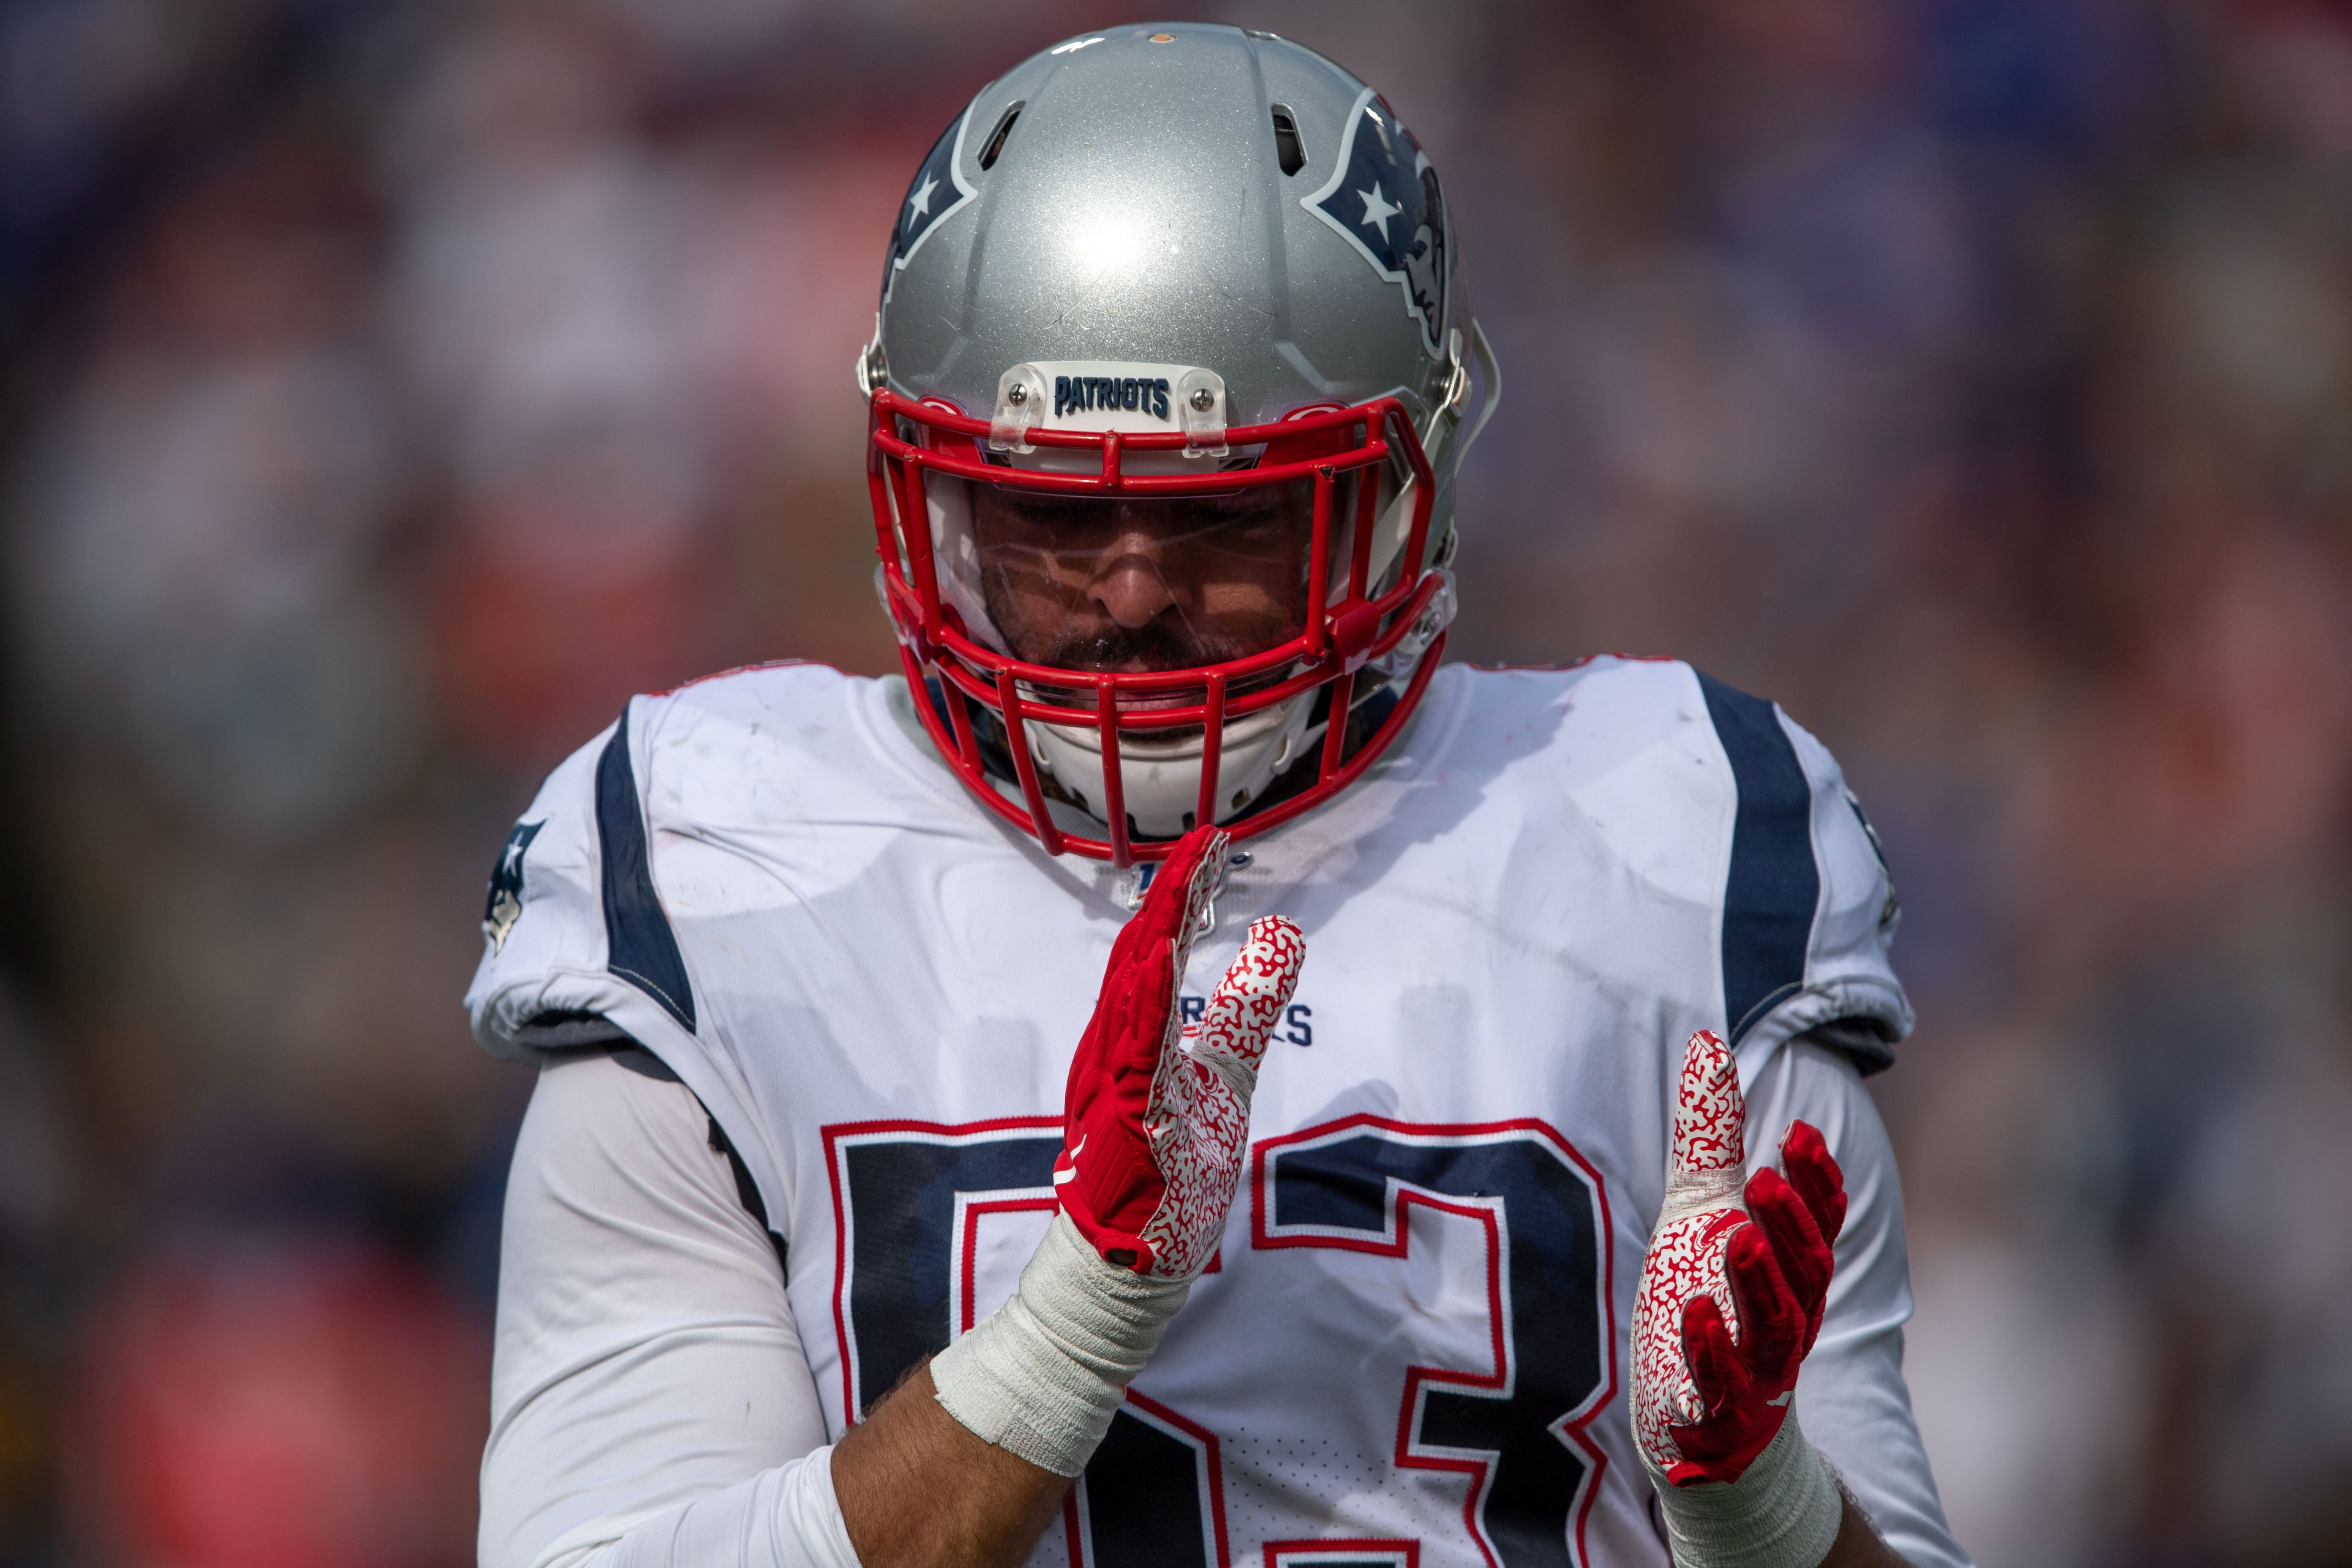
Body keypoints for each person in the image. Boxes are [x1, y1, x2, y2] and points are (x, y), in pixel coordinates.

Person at [468, 24, 1970, 1568]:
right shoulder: (714, 862)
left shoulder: (1675, 833)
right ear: (938, 493)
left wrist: (1756, 1501)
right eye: (1057, 511)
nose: (1130, 594)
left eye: (1226, 514)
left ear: (1414, 487)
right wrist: (1062, 1340)